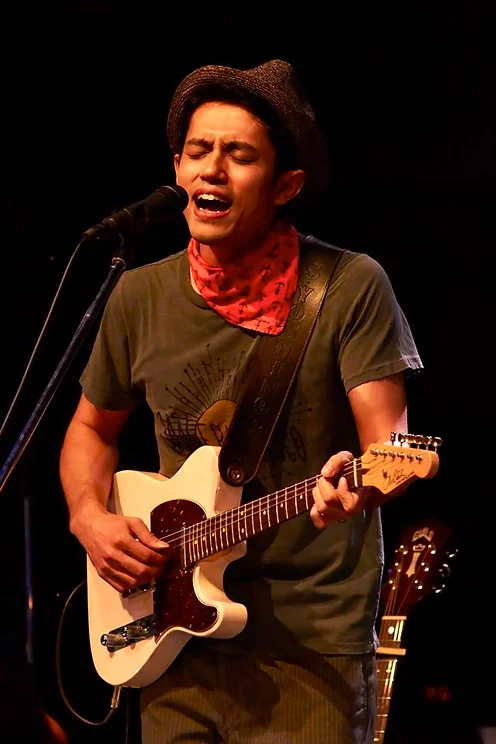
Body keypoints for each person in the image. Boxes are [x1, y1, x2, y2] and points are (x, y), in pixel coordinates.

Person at [59, 59, 423, 743]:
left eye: (240, 155)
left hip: (308, 643)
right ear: (176, 168)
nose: (213, 170)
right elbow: (91, 429)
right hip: (168, 629)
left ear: (286, 185)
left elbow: (392, 450)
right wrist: (88, 518)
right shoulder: (137, 294)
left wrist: (363, 486)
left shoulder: (348, 285)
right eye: (198, 151)